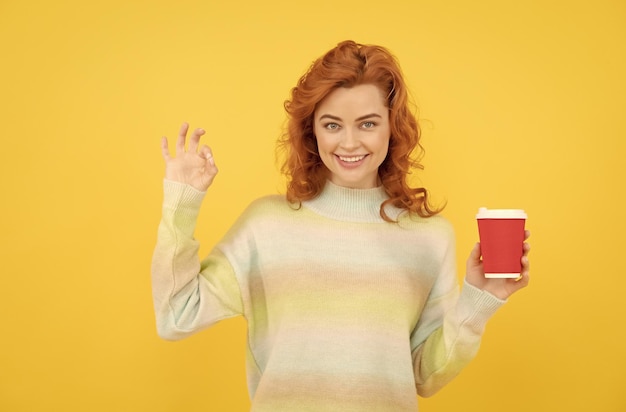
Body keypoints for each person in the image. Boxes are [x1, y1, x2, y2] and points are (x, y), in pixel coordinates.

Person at [151, 40, 531, 411]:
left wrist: (479, 301)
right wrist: (182, 202)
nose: (350, 143)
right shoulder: (265, 226)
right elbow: (177, 314)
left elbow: (424, 378)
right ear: (312, 132)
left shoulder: (430, 238)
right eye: (332, 125)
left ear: (392, 128)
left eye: (367, 123)